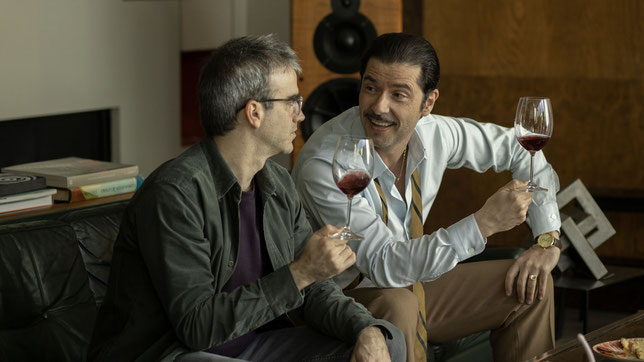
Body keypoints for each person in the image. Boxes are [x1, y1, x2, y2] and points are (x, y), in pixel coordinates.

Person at [88, 34, 406, 362]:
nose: (300, 114)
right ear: (254, 112)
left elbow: (312, 288)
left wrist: (364, 328)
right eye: (293, 102)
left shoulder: (278, 184)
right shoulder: (175, 194)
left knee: (385, 341)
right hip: (174, 354)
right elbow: (197, 328)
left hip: (252, 347)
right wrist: (300, 272)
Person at [291, 32, 562, 362]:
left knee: (531, 285)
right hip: (339, 297)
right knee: (398, 302)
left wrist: (546, 240)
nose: (379, 106)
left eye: (399, 94)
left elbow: (523, 150)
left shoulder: (436, 132)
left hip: (411, 279)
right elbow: (383, 263)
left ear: (428, 103)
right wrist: (483, 223)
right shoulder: (327, 163)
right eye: (371, 87)